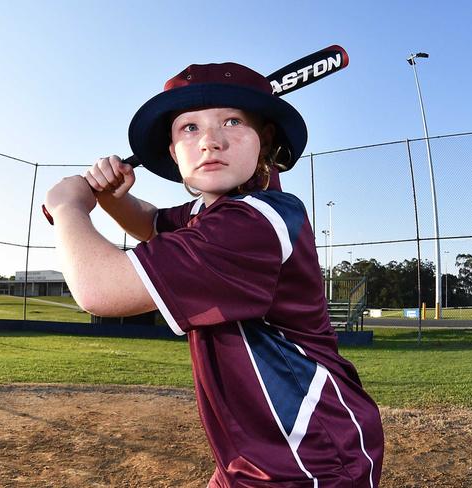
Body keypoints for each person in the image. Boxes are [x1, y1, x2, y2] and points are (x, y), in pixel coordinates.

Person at [45, 61, 384, 487]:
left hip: (308, 456)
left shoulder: (253, 221)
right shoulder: (209, 215)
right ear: (172, 153)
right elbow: (151, 222)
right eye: (189, 128)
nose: (210, 141)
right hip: (250, 454)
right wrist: (113, 199)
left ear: (266, 142)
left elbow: (100, 290)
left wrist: (68, 208)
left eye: (233, 121)